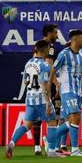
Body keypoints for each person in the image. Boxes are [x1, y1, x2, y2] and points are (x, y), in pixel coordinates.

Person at [5, 40, 61, 158]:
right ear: (45, 50)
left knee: (27, 125)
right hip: (41, 98)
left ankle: (12, 143)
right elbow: (44, 84)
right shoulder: (45, 65)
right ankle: (51, 151)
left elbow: (25, 81)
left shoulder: (28, 63)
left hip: (30, 98)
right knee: (52, 122)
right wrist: (47, 102)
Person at [51, 29, 82, 156]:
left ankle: (50, 139)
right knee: (75, 117)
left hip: (77, 91)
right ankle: (74, 149)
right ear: (75, 40)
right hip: (67, 90)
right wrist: (57, 85)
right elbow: (52, 71)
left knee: (72, 120)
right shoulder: (63, 54)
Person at [31, 24, 59, 156]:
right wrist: (56, 84)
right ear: (49, 33)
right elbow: (49, 66)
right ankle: (49, 144)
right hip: (46, 83)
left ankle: (37, 146)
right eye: (55, 33)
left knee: (37, 116)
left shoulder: (37, 45)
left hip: (34, 84)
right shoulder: (50, 47)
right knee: (51, 115)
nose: (57, 35)